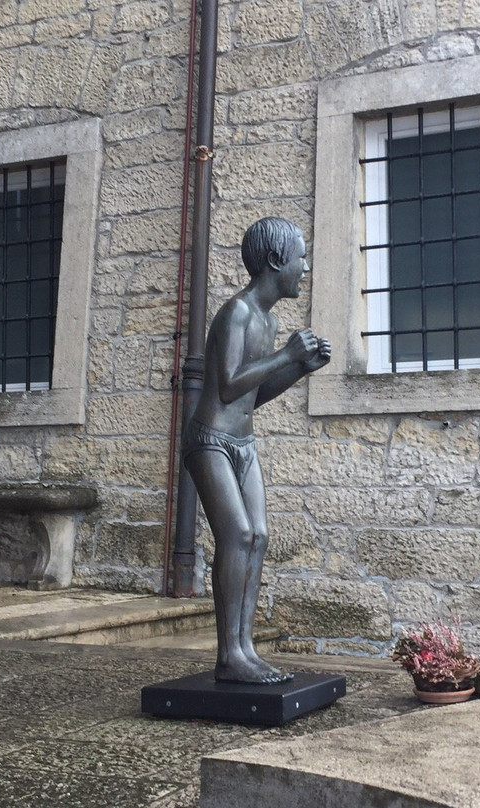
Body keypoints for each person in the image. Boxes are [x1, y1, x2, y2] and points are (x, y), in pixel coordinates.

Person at [183, 217, 331, 684]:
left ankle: (244, 647)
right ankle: (230, 655)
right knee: (238, 536)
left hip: (242, 443)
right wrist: (287, 355)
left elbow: (253, 396)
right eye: (300, 257)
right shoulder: (238, 313)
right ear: (274, 261)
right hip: (210, 442)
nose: (305, 268)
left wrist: (299, 369)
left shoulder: (267, 320)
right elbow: (225, 387)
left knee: (259, 536)